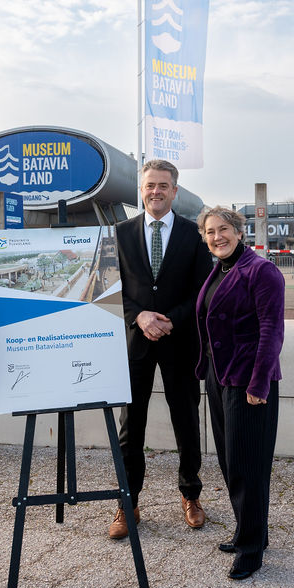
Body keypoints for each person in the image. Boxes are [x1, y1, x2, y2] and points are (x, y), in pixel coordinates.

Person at [111, 159, 212, 539]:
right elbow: (110, 290)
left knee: (186, 421)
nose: (156, 191)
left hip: (180, 340)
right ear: (142, 189)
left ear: (175, 189)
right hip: (135, 343)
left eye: (163, 185)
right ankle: (127, 501)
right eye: (150, 185)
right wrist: (139, 318)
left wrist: (169, 319)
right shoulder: (119, 233)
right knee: (129, 427)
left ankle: (191, 495)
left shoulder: (194, 234)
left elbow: (201, 291)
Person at [195, 206, 285, 580]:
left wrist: (259, 383)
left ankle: (251, 550)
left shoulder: (261, 271)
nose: (218, 237)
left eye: (224, 229)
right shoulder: (219, 269)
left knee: (249, 467)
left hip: (249, 382)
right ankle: (250, 533)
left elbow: (271, 330)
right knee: (232, 463)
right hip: (219, 378)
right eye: (210, 232)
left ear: (239, 231)